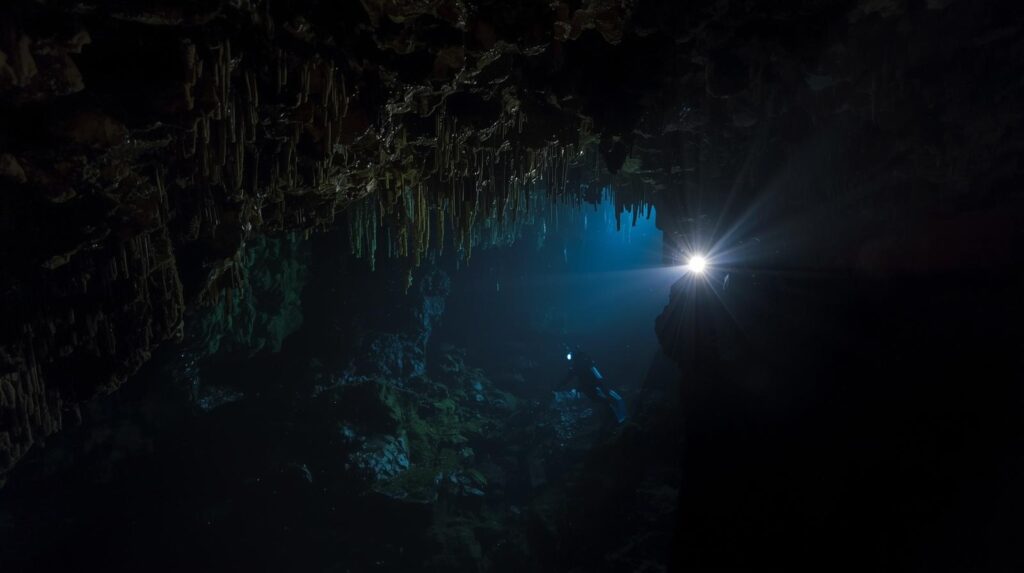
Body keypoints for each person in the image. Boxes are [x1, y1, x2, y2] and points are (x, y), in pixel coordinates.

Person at [556, 346, 628, 424]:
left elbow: (569, 376)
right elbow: (574, 375)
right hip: (594, 383)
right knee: (602, 397)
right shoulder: (583, 360)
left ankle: (613, 413)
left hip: (590, 384)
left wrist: (559, 386)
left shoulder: (577, 364)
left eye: (570, 355)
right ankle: (612, 412)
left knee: (600, 398)